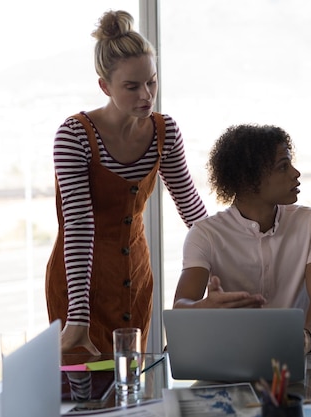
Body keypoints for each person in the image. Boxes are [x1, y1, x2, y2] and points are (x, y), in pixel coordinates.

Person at [45, 10, 207, 355]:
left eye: (151, 81)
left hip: (136, 278)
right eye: (131, 87)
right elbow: (78, 224)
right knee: (84, 394)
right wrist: (78, 318)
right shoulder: (74, 135)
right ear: (105, 86)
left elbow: (190, 206)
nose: (146, 95)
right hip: (79, 284)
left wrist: (229, 259)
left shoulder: (165, 132)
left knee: (133, 387)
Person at [172, 124, 311, 354]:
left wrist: (306, 340)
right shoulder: (205, 234)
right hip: (229, 359)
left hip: (297, 358)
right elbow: (181, 306)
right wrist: (203, 309)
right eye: (283, 167)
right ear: (247, 179)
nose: (295, 173)